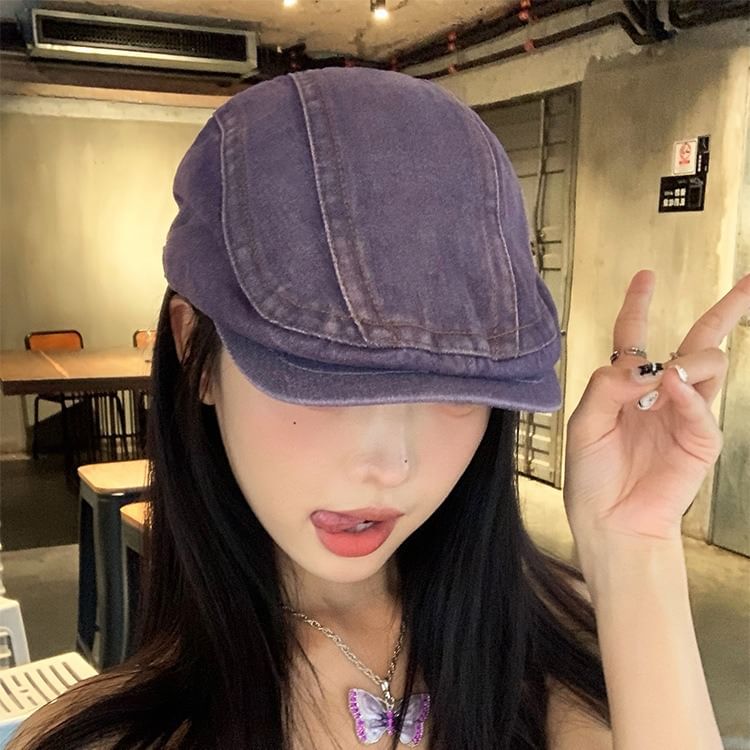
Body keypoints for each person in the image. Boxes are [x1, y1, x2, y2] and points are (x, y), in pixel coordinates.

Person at [9, 67, 747, 750]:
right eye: (322, 379)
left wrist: (634, 549)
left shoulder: (554, 651)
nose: (389, 464)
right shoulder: (102, 736)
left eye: (453, 387)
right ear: (194, 350)